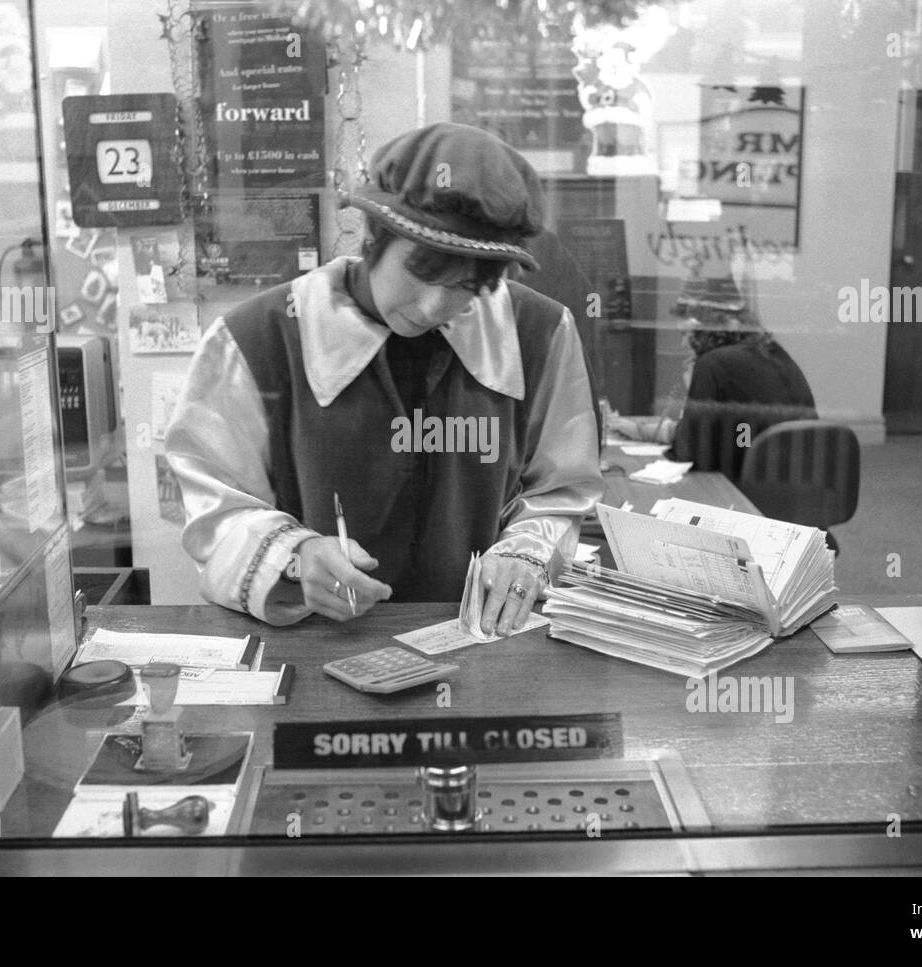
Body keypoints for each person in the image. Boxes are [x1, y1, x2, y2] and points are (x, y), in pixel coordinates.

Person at [165, 122, 603, 636]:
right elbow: (214, 503)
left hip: (484, 643)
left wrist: (528, 555)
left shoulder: (539, 333)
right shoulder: (259, 338)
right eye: (423, 274)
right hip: (313, 647)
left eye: (467, 287)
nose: (434, 306)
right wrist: (294, 555)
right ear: (375, 236)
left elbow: (562, 489)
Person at [666, 276, 817, 481]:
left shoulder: (713, 364)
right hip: (803, 478)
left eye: (686, 334)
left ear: (708, 330)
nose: (683, 344)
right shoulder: (771, 351)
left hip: (749, 489)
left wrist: (691, 390)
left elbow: (688, 454)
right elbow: (733, 434)